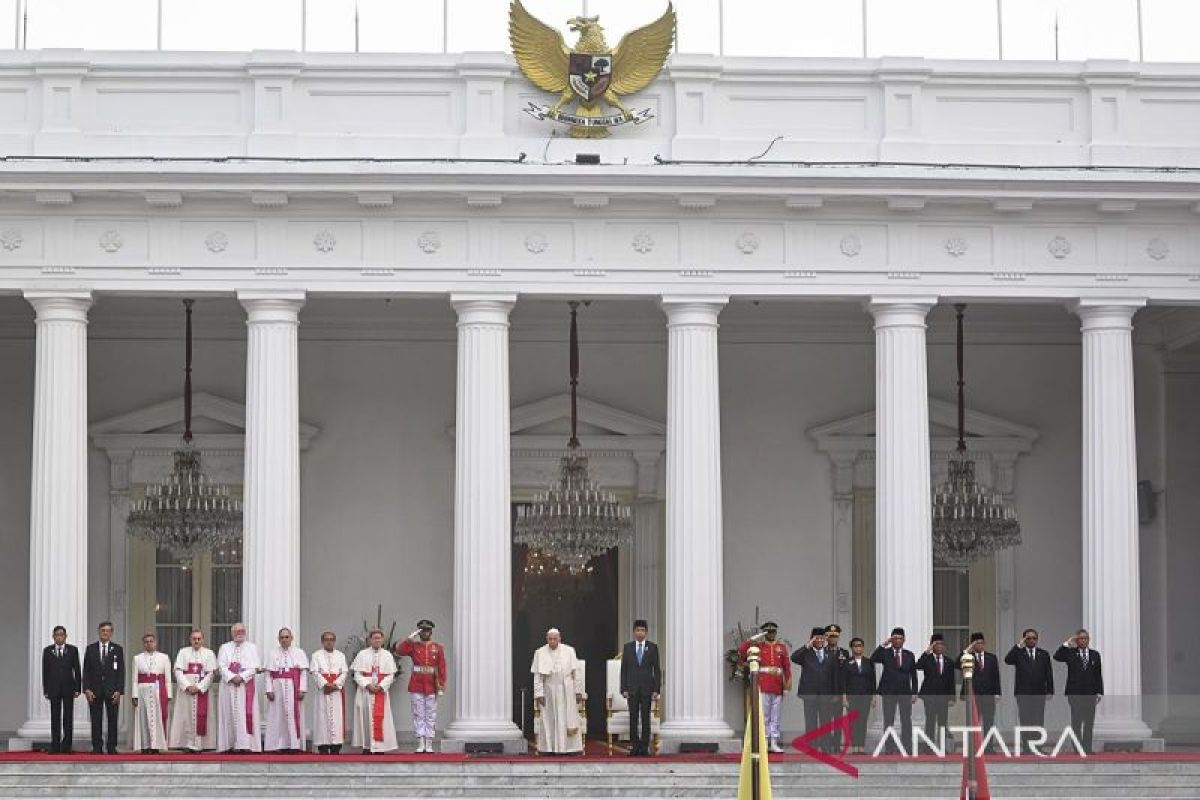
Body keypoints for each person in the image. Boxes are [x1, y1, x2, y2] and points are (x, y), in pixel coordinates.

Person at [394, 619, 448, 754]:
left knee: (430, 714)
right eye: (422, 631)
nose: (425, 633)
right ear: (419, 632)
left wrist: (441, 684)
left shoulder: (437, 647)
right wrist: (409, 638)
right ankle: (420, 742)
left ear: (431, 631)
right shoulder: (414, 646)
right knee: (418, 714)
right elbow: (399, 650)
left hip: (431, 683)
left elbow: (441, 666)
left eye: (427, 630)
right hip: (417, 683)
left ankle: (429, 742)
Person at [531, 628, 584, 755]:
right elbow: (538, 677)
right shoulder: (540, 652)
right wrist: (539, 694)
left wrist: (578, 691)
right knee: (549, 719)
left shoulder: (569, 650)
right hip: (549, 690)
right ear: (547, 639)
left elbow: (576, 672)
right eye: (550, 639)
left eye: (555, 639)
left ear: (560, 638)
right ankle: (548, 748)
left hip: (567, 689)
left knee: (567, 718)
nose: (553, 641)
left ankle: (570, 749)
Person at [1054, 628, 1103, 754]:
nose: (1083, 640)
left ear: (1088, 640)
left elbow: (1098, 674)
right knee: (1076, 722)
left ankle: (1087, 748)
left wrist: (1099, 691)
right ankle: (1078, 748)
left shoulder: (1095, 654)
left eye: (1085, 638)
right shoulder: (1070, 653)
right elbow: (1057, 657)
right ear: (1077, 640)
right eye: (1080, 638)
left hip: (1090, 694)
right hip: (1075, 694)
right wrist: (1067, 644)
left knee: (1089, 723)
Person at [1004, 627, 1053, 753]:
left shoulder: (1044, 654)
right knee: (1025, 720)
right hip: (1023, 693)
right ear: (1024, 639)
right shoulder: (1019, 653)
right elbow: (1007, 660)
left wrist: (1050, 690)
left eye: (1034, 638)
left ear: (1037, 640)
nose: (1031, 640)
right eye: (1028, 638)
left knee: (1038, 720)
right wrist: (1018, 646)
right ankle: (1026, 748)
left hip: (1039, 693)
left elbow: (1048, 673)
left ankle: (1038, 747)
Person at [871, 627, 918, 755]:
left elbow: (913, 674)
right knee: (888, 720)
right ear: (892, 639)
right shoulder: (885, 653)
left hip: (905, 692)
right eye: (895, 638)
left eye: (900, 638)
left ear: (904, 640)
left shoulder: (909, 655)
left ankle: (907, 747)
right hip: (889, 691)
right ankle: (889, 748)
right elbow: (873, 658)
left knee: (906, 720)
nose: (897, 640)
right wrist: (884, 644)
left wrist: (914, 692)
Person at [792, 626, 839, 753]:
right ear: (812, 639)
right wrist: (807, 645)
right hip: (809, 694)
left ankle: (826, 746)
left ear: (825, 639)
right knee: (811, 721)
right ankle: (812, 747)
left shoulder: (830, 653)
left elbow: (835, 675)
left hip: (826, 694)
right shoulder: (806, 653)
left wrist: (836, 694)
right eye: (816, 638)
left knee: (826, 721)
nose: (819, 640)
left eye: (821, 638)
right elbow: (794, 658)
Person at [169, 628, 217, 752]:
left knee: (202, 716)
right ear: (190, 640)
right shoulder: (183, 652)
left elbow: (211, 673)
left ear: (203, 640)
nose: (196, 641)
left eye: (199, 639)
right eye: (194, 639)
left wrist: (199, 687)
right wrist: (187, 686)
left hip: (202, 691)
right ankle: (186, 743)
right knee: (185, 716)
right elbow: (178, 671)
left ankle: (203, 744)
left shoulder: (209, 653)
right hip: (186, 691)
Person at [351, 628, 399, 753]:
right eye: (374, 638)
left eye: (379, 638)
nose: (377, 640)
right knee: (365, 718)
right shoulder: (362, 654)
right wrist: (367, 685)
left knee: (382, 719)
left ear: (383, 640)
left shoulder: (387, 655)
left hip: (381, 692)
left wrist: (381, 686)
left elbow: (390, 675)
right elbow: (357, 674)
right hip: (365, 692)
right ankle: (367, 746)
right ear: (370, 640)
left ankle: (380, 747)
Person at [217, 622, 261, 753]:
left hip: (245, 686)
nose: (239, 633)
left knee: (245, 714)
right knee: (228, 713)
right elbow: (221, 666)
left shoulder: (252, 647)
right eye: (236, 631)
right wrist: (232, 677)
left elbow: (255, 667)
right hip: (228, 687)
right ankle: (228, 744)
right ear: (232, 633)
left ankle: (246, 745)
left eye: (242, 631)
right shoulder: (224, 647)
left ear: (245, 632)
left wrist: (241, 677)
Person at [620, 619, 662, 757]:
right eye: (637, 630)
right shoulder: (628, 647)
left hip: (647, 688)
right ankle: (635, 746)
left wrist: (656, 689)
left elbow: (656, 669)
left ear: (646, 632)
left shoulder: (653, 647)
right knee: (633, 717)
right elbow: (624, 670)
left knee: (645, 718)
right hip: (631, 688)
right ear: (634, 632)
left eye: (643, 630)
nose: (640, 633)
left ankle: (644, 747)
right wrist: (623, 688)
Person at [83, 621, 125, 754]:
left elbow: (121, 672)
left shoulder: (117, 649)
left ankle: (111, 746)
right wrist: (87, 689)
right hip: (94, 690)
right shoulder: (91, 649)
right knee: (96, 719)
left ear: (111, 633)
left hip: (112, 690)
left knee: (113, 719)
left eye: (108, 631)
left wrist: (119, 690)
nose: (105, 633)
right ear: (99, 632)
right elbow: (86, 671)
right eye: (103, 630)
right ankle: (97, 746)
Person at [264, 627, 308, 753]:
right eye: (282, 637)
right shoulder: (272, 653)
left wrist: (302, 689)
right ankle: (276, 745)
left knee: (293, 715)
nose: (284, 640)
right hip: (277, 687)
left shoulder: (299, 652)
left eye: (286, 637)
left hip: (293, 686)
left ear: (291, 638)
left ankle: (294, 744)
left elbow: (303, 672)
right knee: (277, 715)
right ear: (278, 639)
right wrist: (269, 690)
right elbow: (268, 673)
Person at [42, 625, 81, 754]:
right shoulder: (47, 651)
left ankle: (67, 746)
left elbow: (77, 670)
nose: (59, 637)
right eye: (57, 635)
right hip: (53, 689)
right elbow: (45, 672)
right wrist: (46, 689)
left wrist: (77, 688)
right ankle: (55, 745)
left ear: (65, 636)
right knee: (55, 717)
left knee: (68, 718)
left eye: (61, 635)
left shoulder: (73, 650)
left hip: (68, 688)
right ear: (53, 636)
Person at [131, 632, 172, 754]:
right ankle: (145, 745)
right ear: (143, 644)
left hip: (158, 691)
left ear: (155, 643)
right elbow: (134, 679)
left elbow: (168, 678)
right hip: (142, 690)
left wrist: (169, 694)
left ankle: (156, 745)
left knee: (157, 718)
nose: (149, 644)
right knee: (143, 718)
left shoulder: (164, 657)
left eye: (151, 641)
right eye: (146, 642)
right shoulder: (137, 658)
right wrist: (134, 695)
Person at [915, 633, 957, 751]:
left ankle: (943, 748)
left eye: (941, 644)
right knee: (930, 722)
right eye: (936, 644)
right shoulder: (927, 659)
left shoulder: (949, 662)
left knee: (942, 723)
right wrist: (927, 651)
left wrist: (952, 697)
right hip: (929, 696)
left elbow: (951, 681)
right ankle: (929, 747)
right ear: (932, 645)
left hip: (943, 697)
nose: (939, 646)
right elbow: (917, 666)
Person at [310, 631, 349, 754]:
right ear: (322, 641)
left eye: (331, 639)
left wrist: (336, 685)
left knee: (337, 718)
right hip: (323, 691)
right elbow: (315, 672)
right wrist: (325, 684)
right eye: (326, 639)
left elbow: (344, 672)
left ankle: (336, 746)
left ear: (334, 641)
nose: (329, 641)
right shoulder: (316, 655)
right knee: (322, 718)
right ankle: (323, 745)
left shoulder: (341, 655)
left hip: (336, 691)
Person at [963, 632, 1001, 743]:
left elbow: (996, 676)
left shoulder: (991, 658)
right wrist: (968, 650)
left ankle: (988, 747)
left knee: (989, 722)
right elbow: (957, 664)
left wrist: (997, 692)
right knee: (974, 722)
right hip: (974, 695)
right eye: (977, 643)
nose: (980, 645)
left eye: (981, 643)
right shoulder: (968, 657)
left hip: (988, 695)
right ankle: (974, 747)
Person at [840, 637, 876, 754]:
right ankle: (853, 745)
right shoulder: (847, 662)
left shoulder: (868, 662)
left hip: (865, 696)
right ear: (851, 648)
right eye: (855, 645)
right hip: (852, 696)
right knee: (852, 721)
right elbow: (843, 681)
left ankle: (861, 746)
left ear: (863, 647)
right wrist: (844, 697)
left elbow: (872, 680)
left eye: (860, 645)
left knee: (863, 721)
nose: (858, 647)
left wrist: (873, 696)